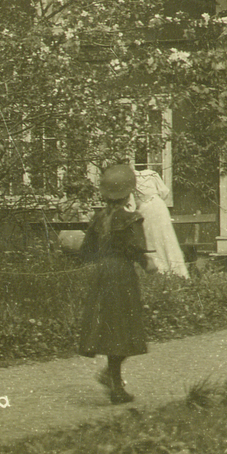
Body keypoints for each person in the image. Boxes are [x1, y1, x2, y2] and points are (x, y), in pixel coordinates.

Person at [78, 164, 150, 404]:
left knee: (111, 328)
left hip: (102, 275)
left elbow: (86, 252)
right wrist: (147, 263)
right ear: (129, 194)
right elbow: (136, 249)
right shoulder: (131, 219)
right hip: (122, 275)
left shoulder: (98, 219)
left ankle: (114, 379)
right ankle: (113, 380)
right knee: (124, 328)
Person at [130, 163, 190, 279]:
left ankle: (161, 271)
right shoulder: (151, 174)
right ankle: (174, 271)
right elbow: (164, 192)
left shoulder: (129, 181)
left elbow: (131, 205)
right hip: (159, 206)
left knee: (151, 239)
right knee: (165, 238)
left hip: (145, 210)